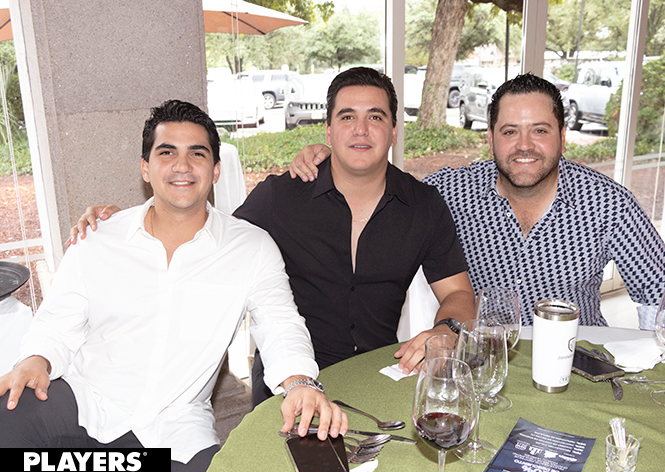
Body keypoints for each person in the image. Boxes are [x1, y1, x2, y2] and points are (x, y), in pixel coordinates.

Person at [67, 68, 476, 407]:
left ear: (394, 131)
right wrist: (128, 222)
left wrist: (448, 329)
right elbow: (206, 236)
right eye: (347, 117)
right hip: (286, 383)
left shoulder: (423, 206)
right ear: (328, 130)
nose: (361, 130)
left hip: (379, 377)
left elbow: (459, 294)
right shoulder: (283, 197)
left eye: (376, 117)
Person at [0, 100, 346, 472]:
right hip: (86, 409)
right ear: (145, 168)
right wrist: (36, 358)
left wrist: (300, 382)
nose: (182, 165)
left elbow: (281, 324)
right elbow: (57, 322)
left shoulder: (252, 248)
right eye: (167, 153)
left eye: (197, 154)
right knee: (10, 414)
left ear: (215, 170)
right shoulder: (98, 238)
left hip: (174, 436)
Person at [289, 73, 665, 330]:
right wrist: (336, 158)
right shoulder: (451, 191)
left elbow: (658, 294)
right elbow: (381, 185)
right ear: (490, 139)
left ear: (562, 137)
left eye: (540, 130)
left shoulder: (608, 203)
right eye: (510, 132)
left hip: (573, 367)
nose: (524, 146)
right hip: (482, 368)